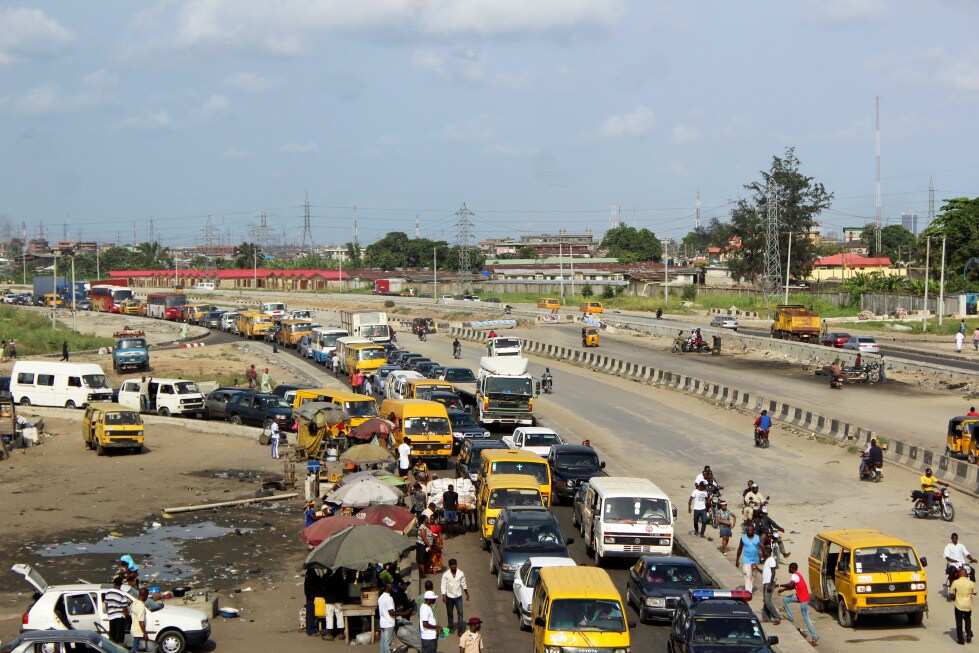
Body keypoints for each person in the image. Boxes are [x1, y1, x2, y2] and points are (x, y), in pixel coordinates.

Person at [780, 562, 818, 644]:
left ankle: (814, 636)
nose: (788, 570)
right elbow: (793, 586)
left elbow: (790, 585)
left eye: (789, 568)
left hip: (803, 599)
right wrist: (783, 590)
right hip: (800, 596)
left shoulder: (794, 575)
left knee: (806, 619)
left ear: (792, 569)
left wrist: (781, 585)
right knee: (786, 600)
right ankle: (790, 617)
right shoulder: (797, 575)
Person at [441, 558, 469, 635]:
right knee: (450, 613)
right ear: (449, 566)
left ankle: (460, 630)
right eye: (452, 565)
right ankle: (450, 627)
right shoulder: (445, 575)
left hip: (458, 597)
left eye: (455, 565)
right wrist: (443, 595)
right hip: (449, 597)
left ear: (456, 565)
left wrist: (466, 593)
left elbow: (464, 584)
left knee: (460, 613)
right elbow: (443, 585)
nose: (453, 567)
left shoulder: (461, 573)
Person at [951, 566, 976, 645]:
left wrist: (953, 597)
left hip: (959, 605)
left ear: (959, 574)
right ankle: (968, 635)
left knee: (959, 622)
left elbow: (952, 593)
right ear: (966, 574)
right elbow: (974, 592)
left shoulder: (955, 582)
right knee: (968, 620)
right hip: (968, 605)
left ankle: (961, 639)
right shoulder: (971, 583)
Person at [736, 523, 761, 594]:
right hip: (746, 560)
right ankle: (748, 592)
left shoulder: (757, 537)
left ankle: (750, 588)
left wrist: (764, 554)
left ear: (754, 531)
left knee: (753, 576)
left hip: (755, 560)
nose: (749, 532)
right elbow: (739, 549)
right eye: (748, 530)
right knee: (747, 575)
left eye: (751, 530)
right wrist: (737, 560)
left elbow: (761, 546)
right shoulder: (743, 538)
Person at [105, 578, 131, 644]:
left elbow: (106, 604)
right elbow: (124, 608)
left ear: (114, 583)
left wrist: (109, 612)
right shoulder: (122, 594)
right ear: (121, 584)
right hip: (120, 617)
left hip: (111, 617)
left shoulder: (108, 592)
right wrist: (127, 617)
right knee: (119, 638)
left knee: (112, 637)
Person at [761, 546, 780, 624]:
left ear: (767, 552)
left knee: (768, 601)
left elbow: (773, 572)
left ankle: (777, 617)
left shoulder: (771, 560)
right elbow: (765, 572)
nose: (763, 553)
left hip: (769, 583)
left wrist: (770, 584)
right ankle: (766, 618)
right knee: (765, 601)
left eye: (764, 552)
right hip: (765, 582)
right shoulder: (767, 560)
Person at [378, 581, 397, 653]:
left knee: (383, 643)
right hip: (389, 623)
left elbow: (385, 610)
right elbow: (391, 612)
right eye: (391, 586)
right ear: (387, 587)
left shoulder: (381, 597)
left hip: (383, 623)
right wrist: (401, 613)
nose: (392, 588)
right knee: (387, 644)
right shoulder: (389, 598)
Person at [128, 588, 148, 653]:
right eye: (147, 596)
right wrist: (145, 633)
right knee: (134, 650)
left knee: (135, 649)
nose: (147, 597)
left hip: (134, 629)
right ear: (144, 595)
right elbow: (141, 622)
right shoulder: (141, 606)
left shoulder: (133, 603)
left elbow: (130, 614)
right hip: (138, 631)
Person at [416, 515, 433, 582]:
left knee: (425, 558)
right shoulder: (422, 527)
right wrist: (429, 545)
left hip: (424, 545)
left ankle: (424, 571)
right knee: (421, 559)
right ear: (423, 520)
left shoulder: (425, 526)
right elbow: (424, 537)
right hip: (422, 545)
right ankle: (422, 574)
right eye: (426, 518)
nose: (427, 519)